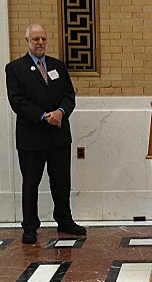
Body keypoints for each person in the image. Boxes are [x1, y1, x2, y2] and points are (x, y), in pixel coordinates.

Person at [5, 24, 86, 244]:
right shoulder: (14, 69)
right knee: (30, 182)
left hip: (58, 135)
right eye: (35, 39)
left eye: (43, 39)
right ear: (27, 41)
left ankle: (64, 219)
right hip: (32, 137)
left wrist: (60, 112)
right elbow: (17, 101)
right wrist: (43, 115)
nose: (40, 43)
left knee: (61, 180)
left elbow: (69, 95)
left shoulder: (57, 66)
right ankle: (30, 226)